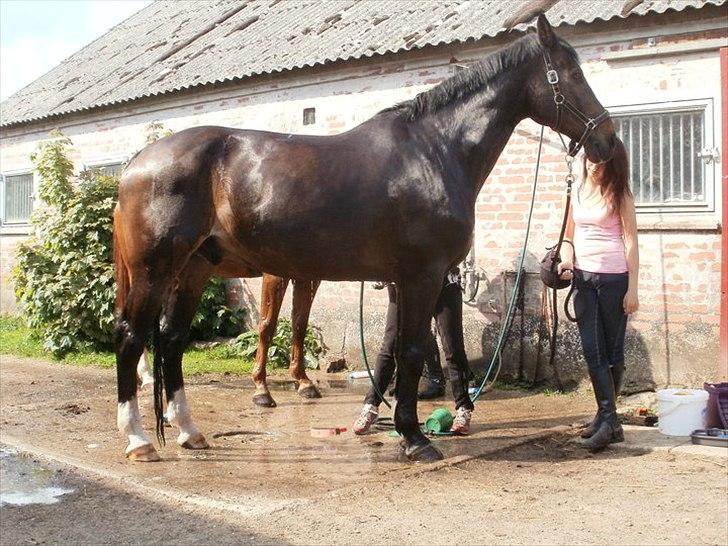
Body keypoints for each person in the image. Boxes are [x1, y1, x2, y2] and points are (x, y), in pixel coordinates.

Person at [558, 138, 639, 453]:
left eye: (599, 161)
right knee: (593, 351)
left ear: (612, 163)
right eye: (589, 159)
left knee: (612, 350)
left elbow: (631, 241)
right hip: (583, 278)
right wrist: (566, 259)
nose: (592, 165)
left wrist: (633, 288)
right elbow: (568, 234)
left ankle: (607, 421)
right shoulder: (575, 191)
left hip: (615, 279)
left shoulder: (621, 195)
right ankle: (609, 420)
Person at [353, 269, 475, 435]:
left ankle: (463, 409)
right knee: (390, 345)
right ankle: (370, 406)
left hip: (443, 283)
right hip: (404, 286)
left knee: (453, 347)